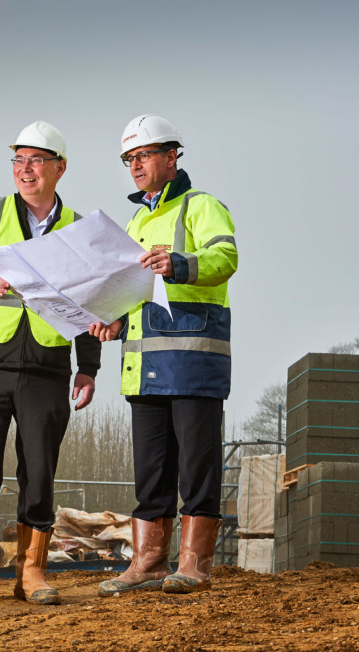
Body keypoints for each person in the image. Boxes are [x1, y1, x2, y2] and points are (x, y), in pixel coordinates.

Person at [0, 121, 100, 604]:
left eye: (35, 160)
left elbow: (92, 301)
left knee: (39, 469)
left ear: (59, 168)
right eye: (18, 160)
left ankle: (31, 571)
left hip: (48, 367)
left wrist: (88, 367)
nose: (25, 169)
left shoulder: (77, 228)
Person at [90, 115, 238, 595]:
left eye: (144, 155)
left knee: (197, 465)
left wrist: (179, 263)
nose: (135, 165)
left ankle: (194, 563)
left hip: (192, 361)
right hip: (143, 367)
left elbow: (225, 259)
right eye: (129, 158)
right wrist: (114, 320)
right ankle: (149, 561)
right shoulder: (135, 220)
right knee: (151, 471)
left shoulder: (201, 205)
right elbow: (136, 290)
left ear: (171, 157)